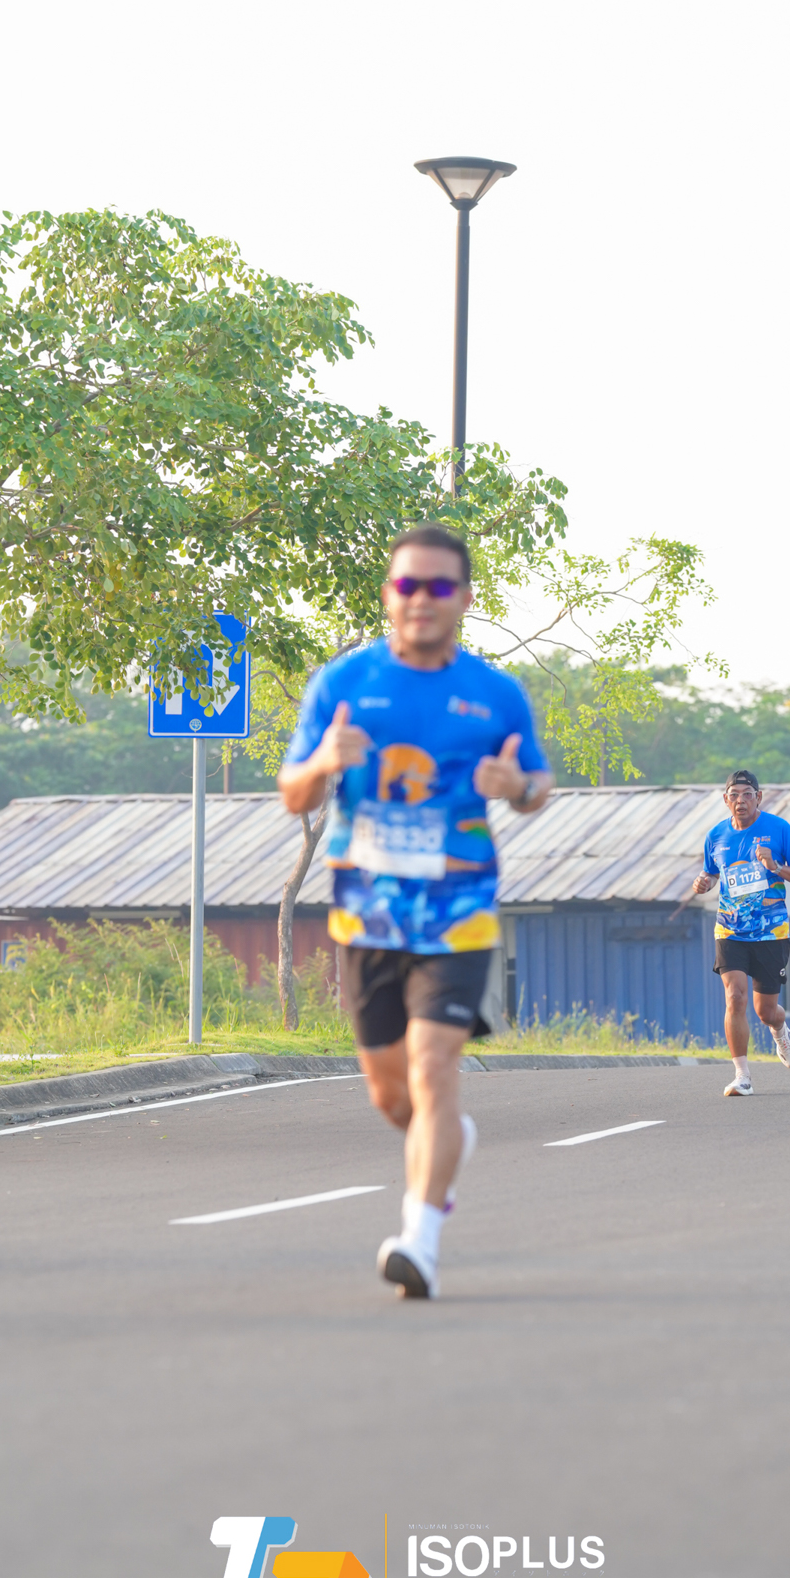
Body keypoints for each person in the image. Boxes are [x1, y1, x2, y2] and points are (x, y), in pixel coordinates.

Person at [278, 523, 552, 1300]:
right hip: (367, 917)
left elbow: (537, 784)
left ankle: (419, 1241)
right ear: (388, 594)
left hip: (459, 912)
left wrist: (517, 788)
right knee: (393, 1095)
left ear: (463, 597)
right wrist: (323, 763)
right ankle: (448, 1142)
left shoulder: (495, 693)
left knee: (434, 1070)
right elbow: (293, 792)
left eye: (438, 586)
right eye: (407, 585)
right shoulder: (343, 681)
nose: (421, 599)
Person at [692, 770, 790, 1096]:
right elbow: (711, 873)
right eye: (734, 795)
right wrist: (704, 882)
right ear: (725, 799)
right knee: (735, 997)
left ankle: (780, 1030)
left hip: (771, 932)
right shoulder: (716, 836)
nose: (741, 801)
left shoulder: (779, 829)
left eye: (747, 794)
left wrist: (776, 867)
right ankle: (742, 1076)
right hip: (730, 929)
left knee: (765, 1011)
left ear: (759, 797)